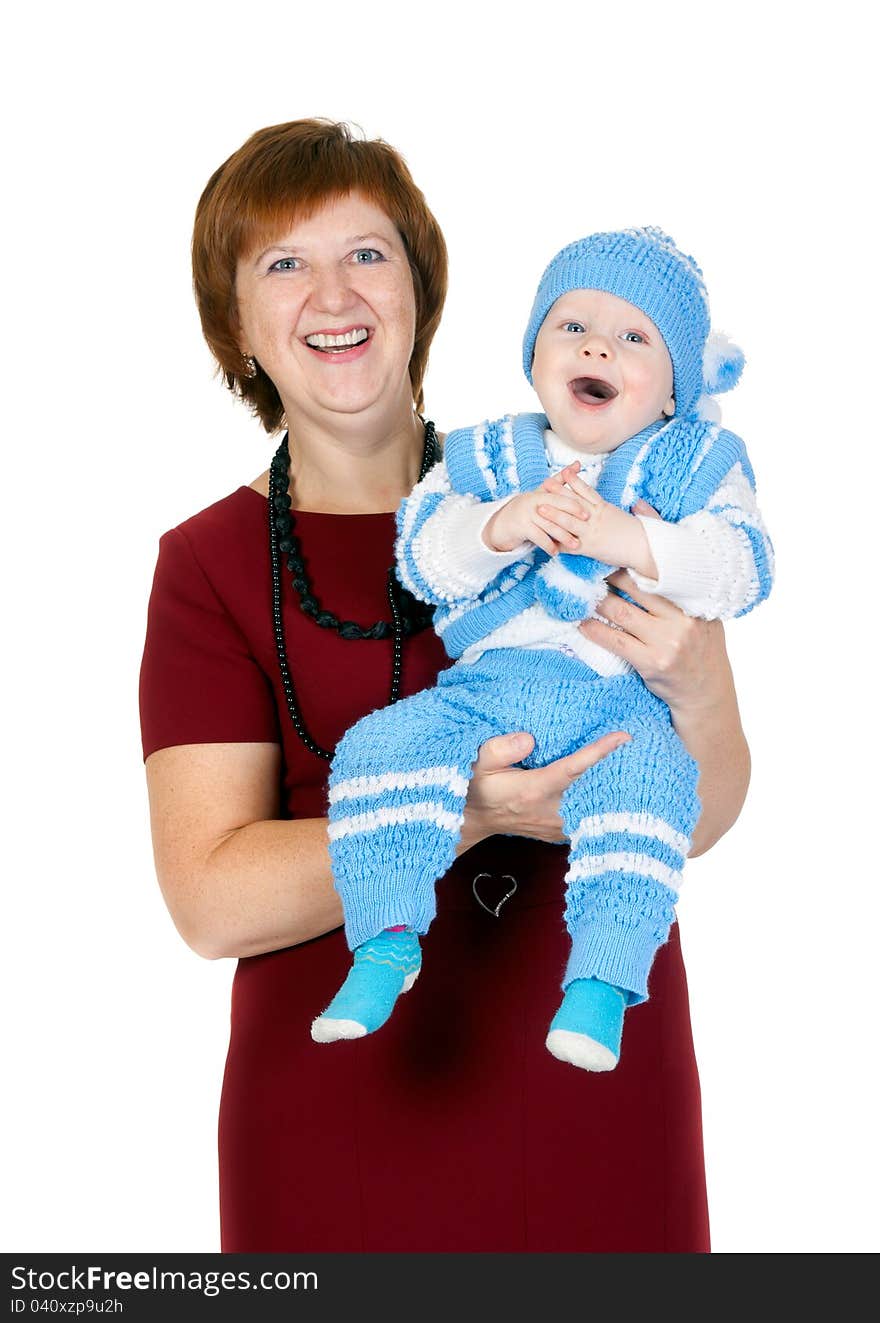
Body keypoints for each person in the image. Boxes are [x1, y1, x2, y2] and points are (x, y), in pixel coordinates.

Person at [140, 119, 752, 1252]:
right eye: (284, 263)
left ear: (420, 289)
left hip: (599, 1098)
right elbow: (211, 899)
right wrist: (476, 814)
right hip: (335, 1131)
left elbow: (697, 813)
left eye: (367, 254)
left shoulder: (584, 487)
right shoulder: (209, 565)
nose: (334, 293)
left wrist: (702, 685)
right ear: (237, 324)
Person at [314, 228, 773, 1073]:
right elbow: (423, 553)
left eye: (635, 338)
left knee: (650, 790)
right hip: (486, 692)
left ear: (675, 390)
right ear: (534, 360)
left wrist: (630, 537)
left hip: (621, 701)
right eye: (572, 327)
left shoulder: (692, 461)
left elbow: (743, 566)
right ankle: (383, 940)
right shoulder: (491, 455)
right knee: (378, 748)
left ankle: (602, 981)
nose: (598, 344)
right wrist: (502, 523)